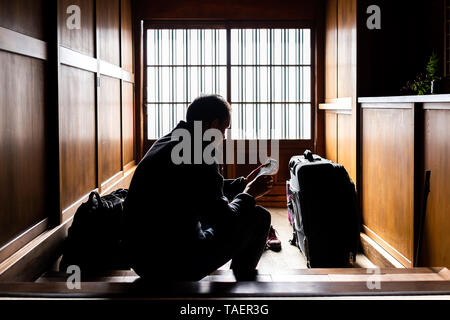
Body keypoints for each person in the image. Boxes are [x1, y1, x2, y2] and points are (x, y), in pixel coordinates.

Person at [123, 94, 274, 281]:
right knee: (259, 216)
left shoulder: (170, 140)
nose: (224, 137)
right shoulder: (201, 151)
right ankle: (240, 285)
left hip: (142, 261)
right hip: (177, 264)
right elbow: (224, 219)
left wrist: (241, 184)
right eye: (224, 129)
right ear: (213, 125)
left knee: (212, 216)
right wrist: (249, 194)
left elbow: (199, 187)